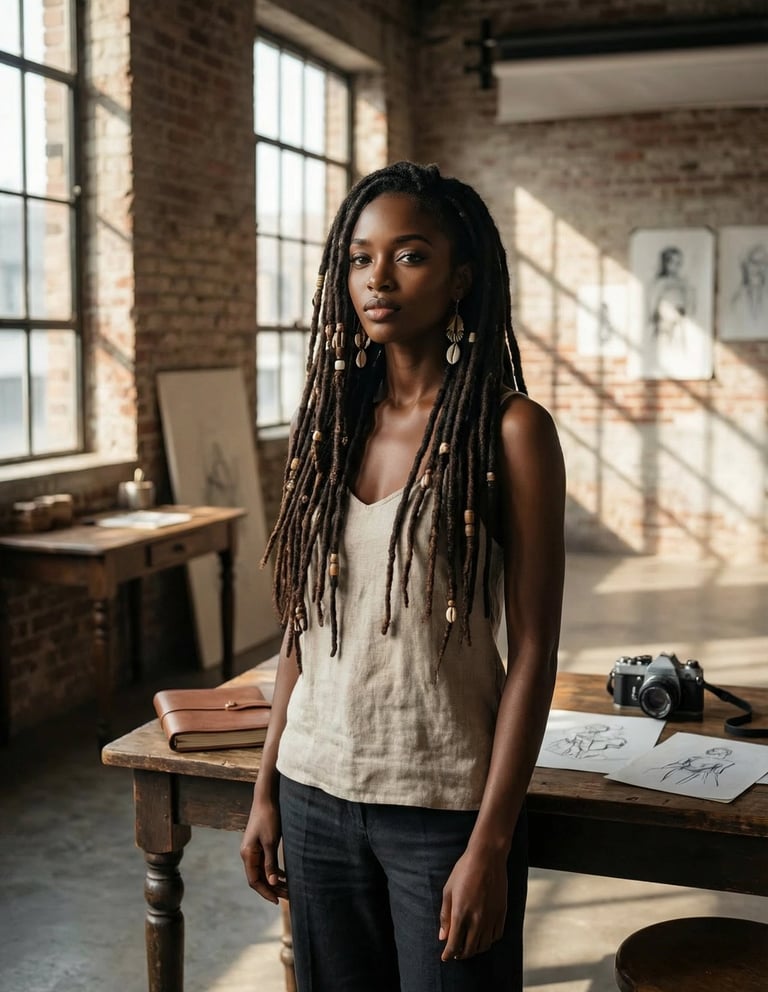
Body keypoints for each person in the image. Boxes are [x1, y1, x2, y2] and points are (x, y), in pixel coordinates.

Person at [241, 161, 565, 992]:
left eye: (408, 255)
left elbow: (533, 651)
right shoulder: (327, 427)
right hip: (314, 794)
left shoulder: (511, 430)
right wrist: (266, 788)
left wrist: (490, 844)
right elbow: (303, 629)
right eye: (358, 257)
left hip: (441, 807)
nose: (376, 278)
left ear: (461, 278)